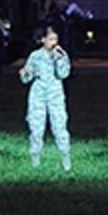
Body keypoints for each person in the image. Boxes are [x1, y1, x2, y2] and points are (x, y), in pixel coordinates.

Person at [19, 25, 73, 170]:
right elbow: (26, 79)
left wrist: (59, 60)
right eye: (50, 39)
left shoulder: (61, 54)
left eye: (55, 39)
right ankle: (35, 159)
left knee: (59, 126)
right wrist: (25, 73)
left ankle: (65, 157)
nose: (53, 42)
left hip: (55, 94)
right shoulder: (35, 56)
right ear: (43, 40)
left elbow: (64, 74)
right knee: (36, 127)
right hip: (38, 95)